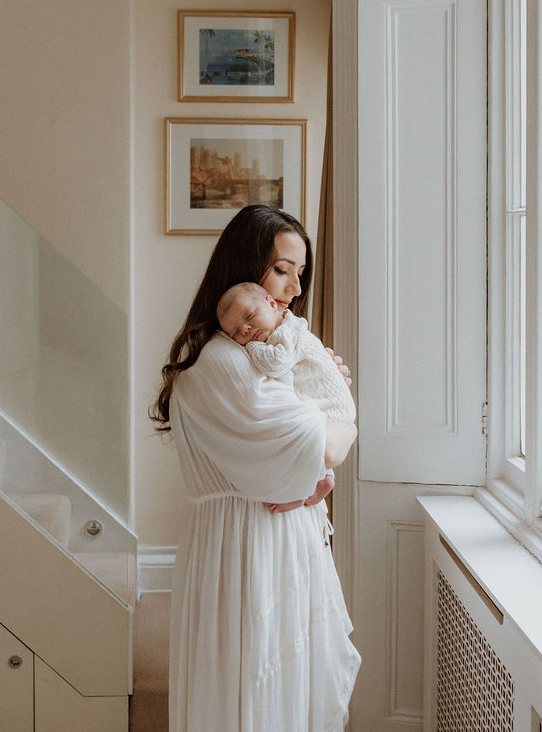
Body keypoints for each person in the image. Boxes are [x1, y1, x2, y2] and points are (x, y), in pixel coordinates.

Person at [151, 205, 361, 731]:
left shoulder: (261, 352)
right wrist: (341, 424)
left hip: (272, 532)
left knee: (276, 685)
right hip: (249, 541)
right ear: (244, 266)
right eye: (280, 269)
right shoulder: (222, 363)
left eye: (300, 272)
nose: (292, 288)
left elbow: (313, 445)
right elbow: (328, 446)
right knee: (254, 685)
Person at [216, 281, 356, 517]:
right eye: (237, 333)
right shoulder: (281, 330)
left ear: (271, 303)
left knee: (300, 442)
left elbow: (276, 363)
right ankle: (324, 478)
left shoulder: (288, 331)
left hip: (332, 410)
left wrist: (250, 348)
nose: (247, 330)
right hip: (330, 411)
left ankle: (298, 493)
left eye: (250, 316)